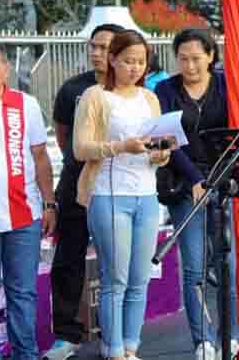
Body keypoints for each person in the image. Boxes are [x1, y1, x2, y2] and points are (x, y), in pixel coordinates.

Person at [73, 30, 170, 360]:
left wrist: (161, 153)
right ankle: (113, 350)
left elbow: (161, 146)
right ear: (112, 59)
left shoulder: (150, 98)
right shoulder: (96, 96)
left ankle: (131, 347)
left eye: (141, 62)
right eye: (128, 61)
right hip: (108, 194)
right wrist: (120, 147)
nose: (134, 68)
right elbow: (80, 148)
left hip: (146, 194)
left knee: (140, 278)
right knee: (115, 278)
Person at [0, 38, 57, 360]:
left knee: (23, 294)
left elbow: (41, 157)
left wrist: (49, 203)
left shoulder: (26, 104)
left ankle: (26, 355)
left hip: (24, 217)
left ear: (5, 69)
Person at [154, 28, 239, 360]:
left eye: (196, 58)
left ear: (210, 56)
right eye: (183, 58)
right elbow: (166, 137)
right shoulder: (165, 89)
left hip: (224, 178)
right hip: (184, 182)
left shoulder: (225, 85)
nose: (189, 65)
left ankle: (229, 334)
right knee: (193, 266)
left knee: (227, 261)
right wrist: (193, 178)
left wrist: (219, 176)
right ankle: (202, 339)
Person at [44, 23, 124, 360]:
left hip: (117, 183)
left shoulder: (127, 89)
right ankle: (66, 335)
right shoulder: (72, 89)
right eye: (93, 46)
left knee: (115, 262)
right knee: (68, 260)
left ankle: (115, 336)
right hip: (77, 185)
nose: (96, 52)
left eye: (105, 47)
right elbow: (64, 138)